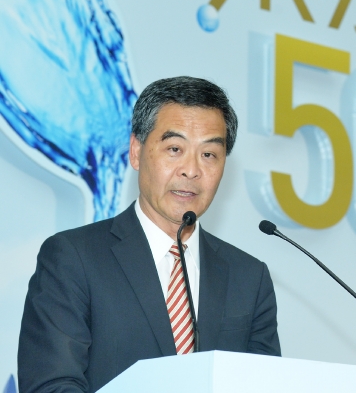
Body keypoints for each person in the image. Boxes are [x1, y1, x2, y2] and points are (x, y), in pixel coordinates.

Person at [18, 76, 280, 393]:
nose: (191, 170)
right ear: (136, 152)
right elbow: (52, 385)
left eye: (209, 154)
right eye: (174, 148)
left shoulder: (250, 278)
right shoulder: (74, 258)